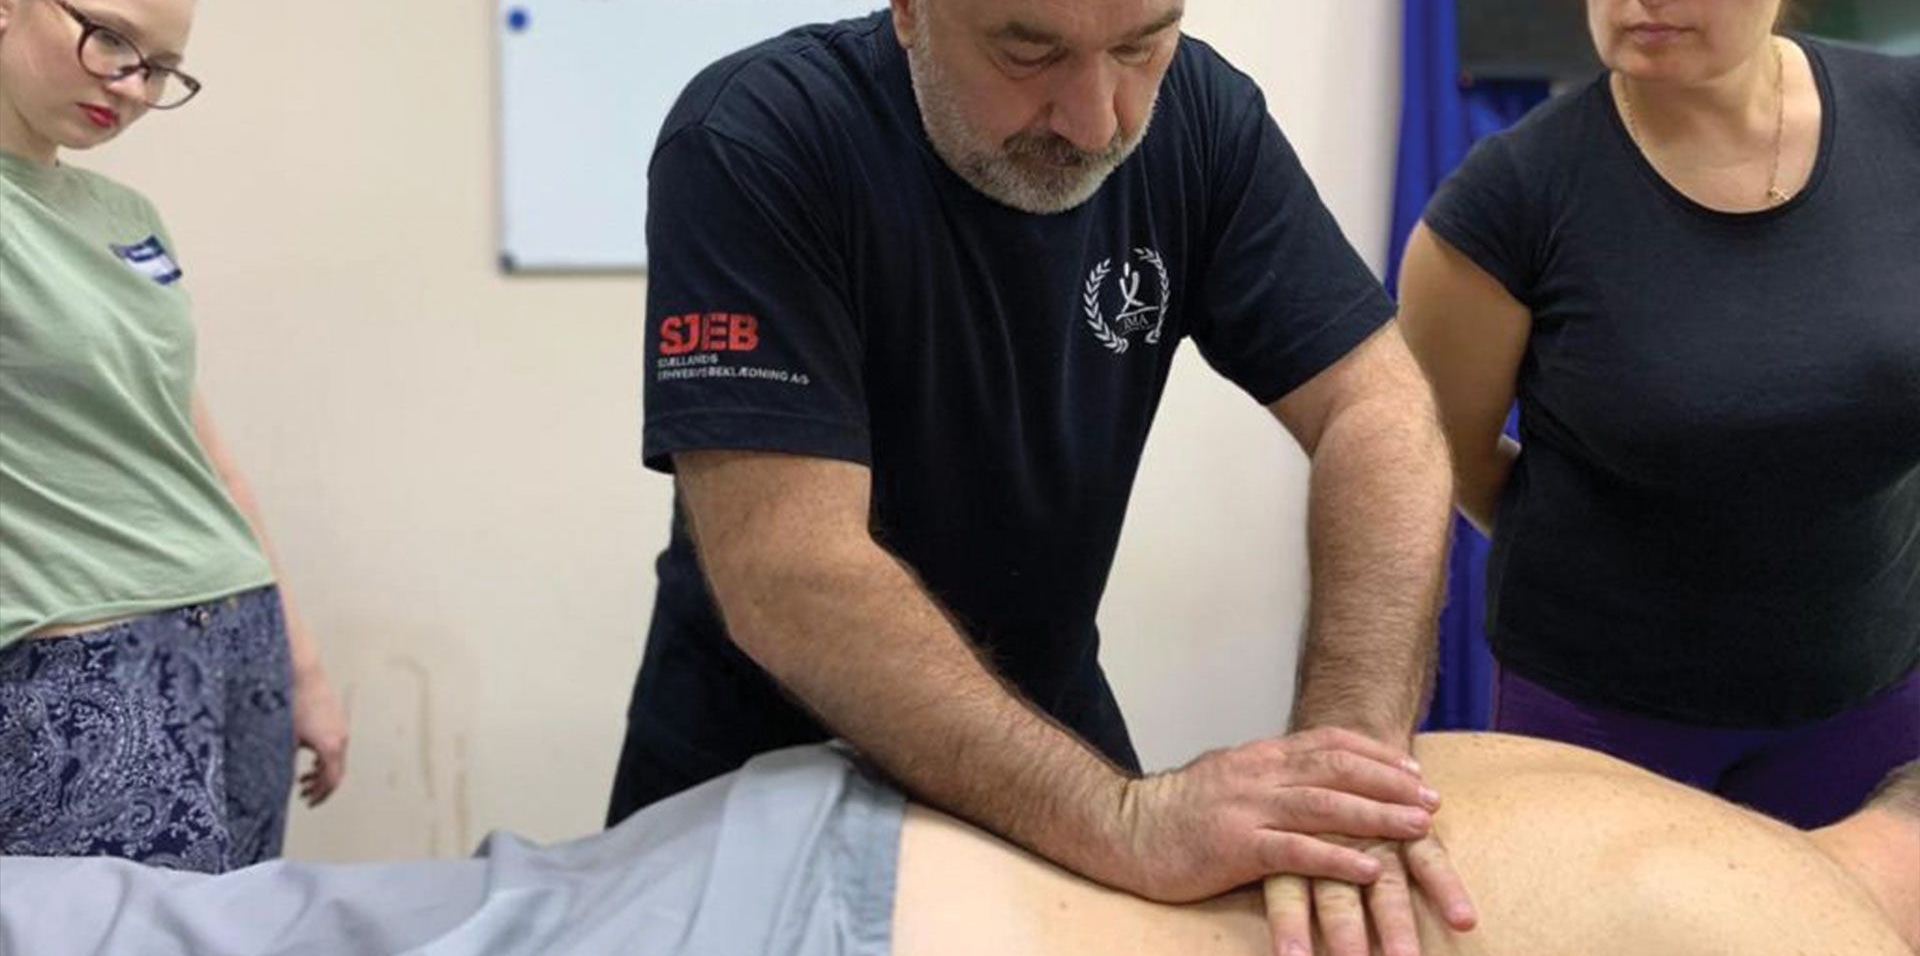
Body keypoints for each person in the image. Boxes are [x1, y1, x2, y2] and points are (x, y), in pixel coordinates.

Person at [618, 0, 1470, 952]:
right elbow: (790, 576)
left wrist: (1350, 755)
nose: (1098, 119)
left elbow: (1377, 407)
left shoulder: (1201, 122)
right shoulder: (758, 139)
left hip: (1046, 729)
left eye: (1141, 46)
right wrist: (1126, 821)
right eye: (1030, 55)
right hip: (760, 764)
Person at [1397, 0, 1920, 829]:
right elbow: (1453, 457)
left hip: (1870, 692)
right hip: (1603, 715)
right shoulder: (1509, 200)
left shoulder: (1907, 120)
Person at [8, 733, 1914, 955]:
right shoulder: (1793, 927)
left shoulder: (1614, 799)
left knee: (265, 925)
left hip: (830, 833)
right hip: (832, 935)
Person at [0, 0, 348, 872]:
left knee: (243, 932)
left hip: (236, 629)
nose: (131, 86)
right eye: (110, 40)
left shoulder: (126, 214)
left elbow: (192, 445)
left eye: (159, 67)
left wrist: (303, 663)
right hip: (75, 654)